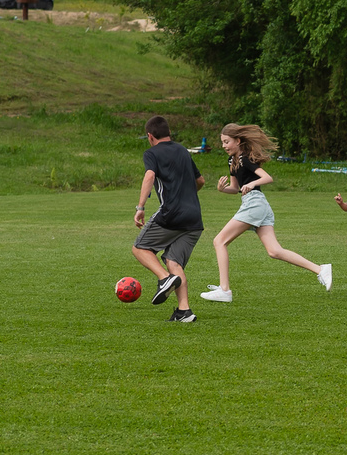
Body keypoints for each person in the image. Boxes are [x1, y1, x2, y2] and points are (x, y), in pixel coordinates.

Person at [199, 124, 332, 303]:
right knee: (274, 251)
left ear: (238, 141)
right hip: (256, 204)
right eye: (222, 142)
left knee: (219, 241)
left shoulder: (246, 159)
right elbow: (235, 188)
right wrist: (222, 189)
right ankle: (320, 269)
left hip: (255, 203)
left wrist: (253, 184)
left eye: (227, 142)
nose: (223, 146)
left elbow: (267, 178)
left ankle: (224, 290)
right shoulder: (232, 161)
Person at [131, 115, 205, 322]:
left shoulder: (152, 153)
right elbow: (200, 180)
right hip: (194, 218)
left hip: (171, 214)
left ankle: (164, 279)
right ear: (168, 133)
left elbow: (149, 176)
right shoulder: (182, 150)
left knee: (139, 248)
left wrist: (141, 207)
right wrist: (188, 195)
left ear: (150, 136)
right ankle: (184, 311)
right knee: (173, 261)